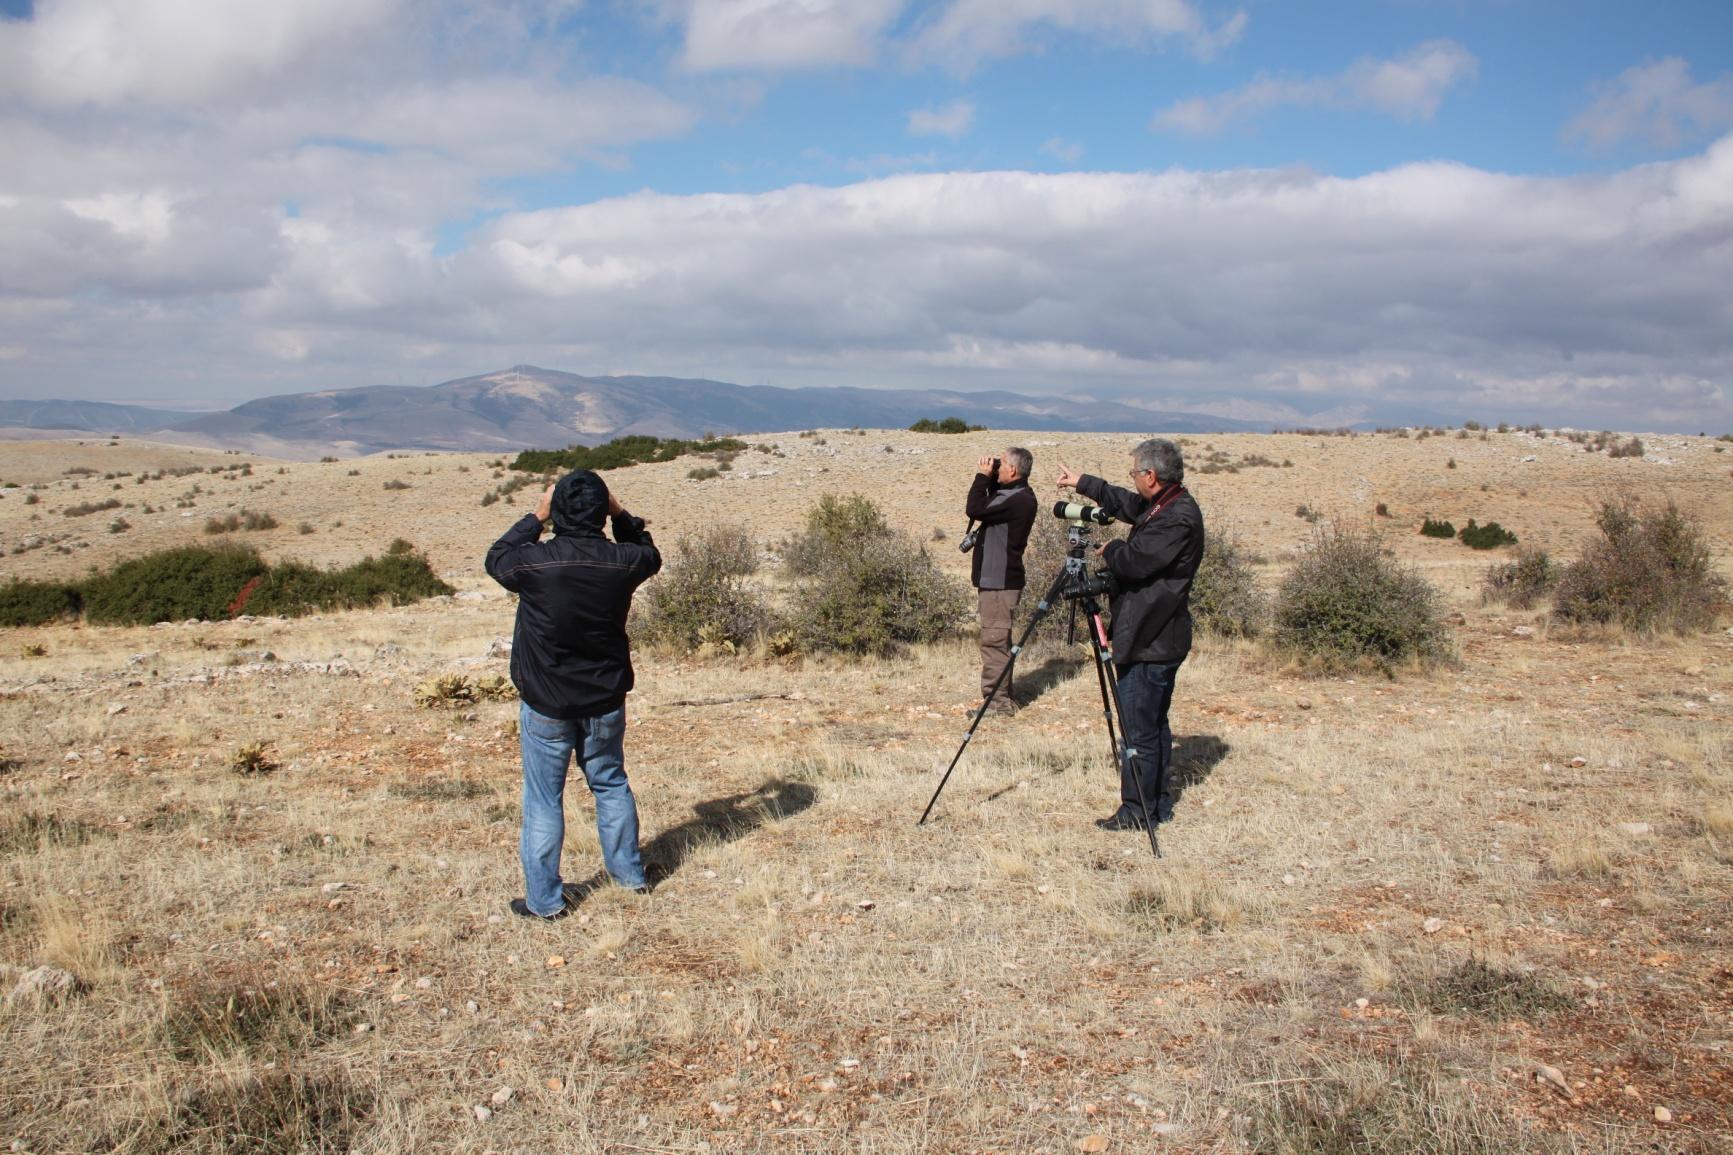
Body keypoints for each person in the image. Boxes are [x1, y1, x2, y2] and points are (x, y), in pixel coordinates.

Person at [484, 469, 661, 919]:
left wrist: (536, 515)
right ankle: (629, 877)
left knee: (544, 797)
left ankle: (545, 901)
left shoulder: (536, 564)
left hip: (546, 698)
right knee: (610, 782)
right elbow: (649, 552)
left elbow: (497, 558)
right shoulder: (623, 563)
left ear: (557, 511)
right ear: (601, 512)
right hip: (604, 697)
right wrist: (619, 513)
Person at [1056, 439, 1204, 831]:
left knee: (1140, 727)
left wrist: (1112, 550)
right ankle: (1155, 801)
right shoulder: (1165, 504)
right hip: (1153, 633)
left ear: (1151, 476)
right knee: (1151, 723)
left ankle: (1138, 810)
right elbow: (1126, 503)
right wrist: (1083, 482)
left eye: (1135, 472)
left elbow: (1137, 563)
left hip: (1151, 638)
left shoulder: (1177, 517)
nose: (1133, 479)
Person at [965, 446, 1037, 714]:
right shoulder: (1015, 494)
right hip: (999, 579)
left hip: (999, 581)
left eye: (1002, 464)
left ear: (1014, 470)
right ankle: (1001, 696)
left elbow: (974, 508)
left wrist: (982, 477)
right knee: (999, 641)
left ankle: (997, 704)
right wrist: (993, 474)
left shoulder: (1017, 499)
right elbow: (989, 502)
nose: (997, 467)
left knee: (994, 642)